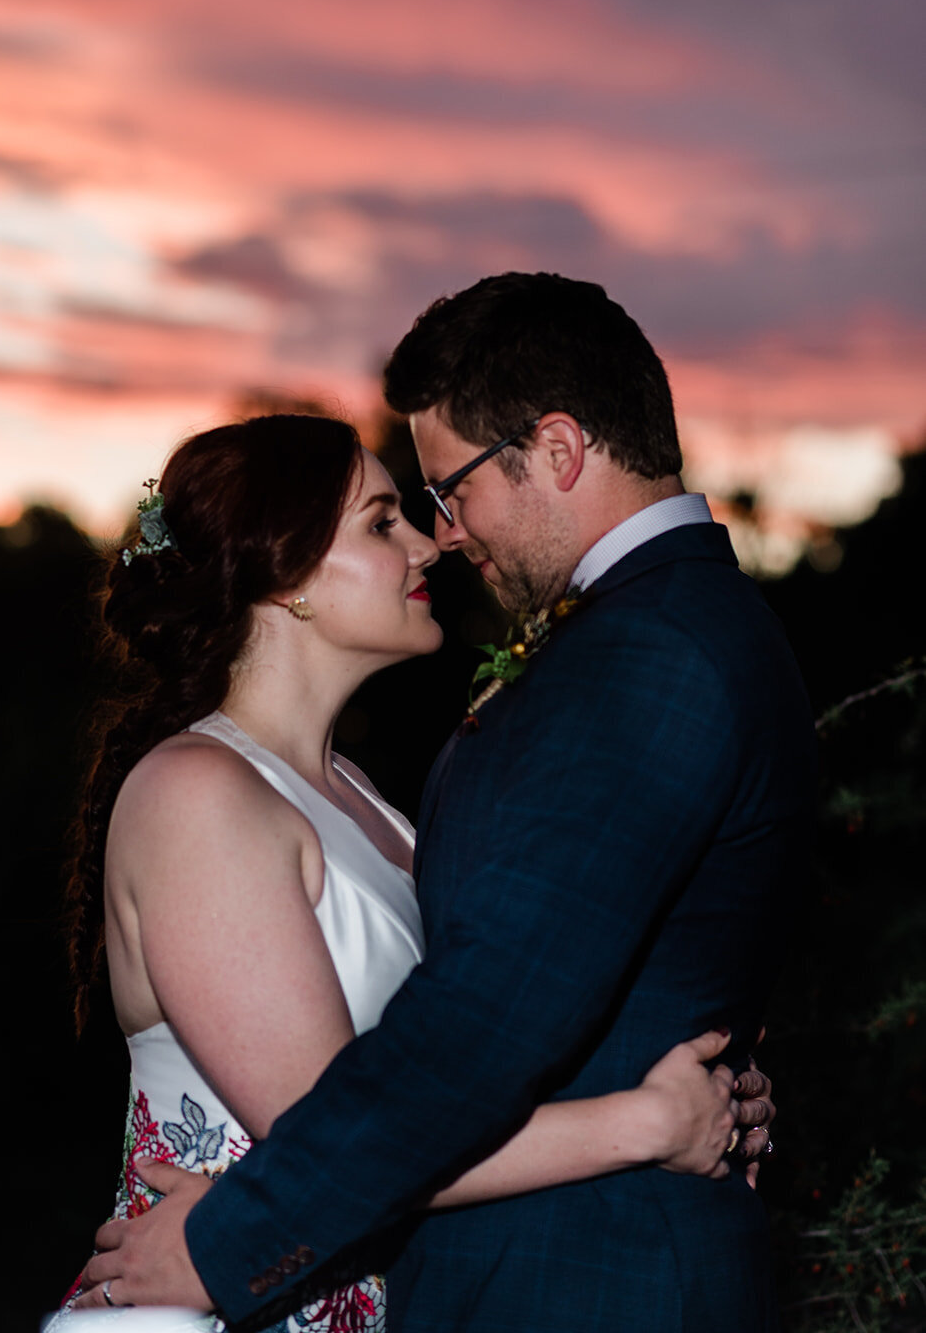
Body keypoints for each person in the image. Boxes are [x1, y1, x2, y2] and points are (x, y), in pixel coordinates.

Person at [59, 407, 772, 1332]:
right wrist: (643, 1125)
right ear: (288, 576)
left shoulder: (361, 797)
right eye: (381, 521)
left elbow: (463, 1057)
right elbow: (337, 1133)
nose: (429, 545)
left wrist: (706, 1084)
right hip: (201, 1306)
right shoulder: (196, 793)